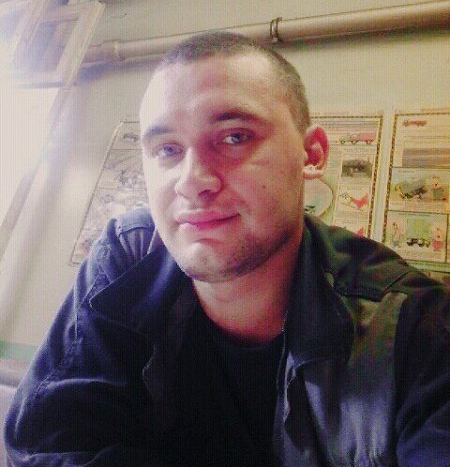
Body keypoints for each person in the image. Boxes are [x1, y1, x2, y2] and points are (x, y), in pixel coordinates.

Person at [5, 32, 449, 466]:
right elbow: (50, 444)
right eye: (167, 149)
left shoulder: (412, 325)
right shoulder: (129, 257)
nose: (192, 181)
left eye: (235, 137)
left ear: (311, 154)